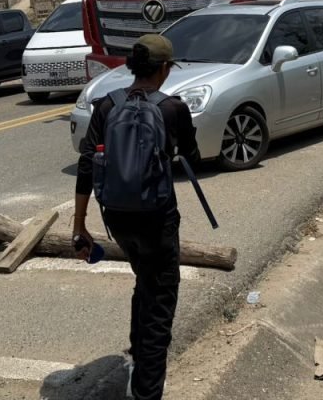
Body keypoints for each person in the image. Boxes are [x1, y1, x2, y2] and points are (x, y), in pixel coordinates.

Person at [73, 34, 199, 400]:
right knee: (160, 303)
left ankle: (136, 360)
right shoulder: (172, 108)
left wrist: (80, 225)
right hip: (157, 220)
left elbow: (86, 166)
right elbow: (191, 153)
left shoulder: (107, 106)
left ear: (132, 68)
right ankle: (146, 391)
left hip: (118, 220)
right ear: (163, 69)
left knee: (144, 282)